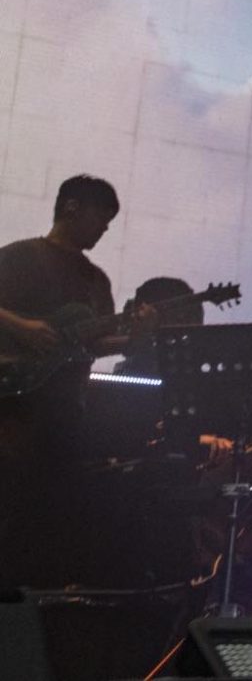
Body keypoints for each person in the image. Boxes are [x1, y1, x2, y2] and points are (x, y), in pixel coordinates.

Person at [0, 174, 143, 582]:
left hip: (63, 416)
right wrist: (22, 327)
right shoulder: (19, 257)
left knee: (45, 518)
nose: (105, 229)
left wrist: (137, 336)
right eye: (101, 218)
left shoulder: (96, 280)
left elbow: (93, 345)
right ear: (72, 207)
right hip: (11, 410)